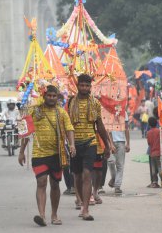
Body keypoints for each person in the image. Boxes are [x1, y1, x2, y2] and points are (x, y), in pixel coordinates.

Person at [18, 85, 76, 227]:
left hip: (57, 154)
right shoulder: (35, 111)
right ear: (44, 96)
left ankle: (54, 214)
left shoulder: (62, 113)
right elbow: (26, 131)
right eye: (48, 95)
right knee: (41, 182)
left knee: (55, 184)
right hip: (39, 154)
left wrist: (72, 144)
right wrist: (21, 151)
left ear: (57, 97)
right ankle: (42, 215)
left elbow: (69, 129)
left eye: (53, 96)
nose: (51, 98)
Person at [68, 74, 110, 221]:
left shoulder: (95, 103)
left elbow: (100, 125)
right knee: (78, 177)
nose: (84, 88)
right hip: (74, 144)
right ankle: (81, 202)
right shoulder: (70, 102)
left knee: (87, 174)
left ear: (90, 87)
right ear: (78, 86)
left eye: (87, 85)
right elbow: (66, 125)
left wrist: (107, 145)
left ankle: (85, 209)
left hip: (90, 142)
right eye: (82, 85)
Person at [108, 112, 130, 194]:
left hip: (121, 141)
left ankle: (117, 186)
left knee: (120, 165)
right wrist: (110, 143)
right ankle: (114, 178)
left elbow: (127, 128)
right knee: (111, 162)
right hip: (111, 141)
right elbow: (108, 129)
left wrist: (128, 143)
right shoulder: (109, 111)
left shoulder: (124, 113)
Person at [146, 116, 162, 188]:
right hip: (159, 152)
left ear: (149, 124)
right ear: (156, 123)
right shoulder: (159, 131)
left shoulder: (148, 132)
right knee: (160, 167)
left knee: (153, 168)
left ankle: (154, 182)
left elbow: (149, 142)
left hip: (152, 153)